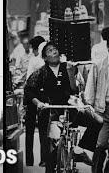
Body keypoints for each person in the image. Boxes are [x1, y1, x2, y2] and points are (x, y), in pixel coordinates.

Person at [24, 42, 101, 173]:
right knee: (50, 148)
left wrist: (71, 73)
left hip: (71, 108)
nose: (53, 52)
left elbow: (75, 88)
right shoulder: (40, 73)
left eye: (55, 49)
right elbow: (29, 90)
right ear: (44, 58)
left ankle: (79, 149)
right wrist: (39, 103)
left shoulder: (69, 67)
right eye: (49, 51)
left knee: (97, 121)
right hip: (50, 111)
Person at [85, 27, 109, 173]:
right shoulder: (99, 64)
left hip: (102, 109)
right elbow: (90, 89)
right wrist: (90, 105)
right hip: (104, 110)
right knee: (100, 144)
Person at [24, 36, 47, 167]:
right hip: (44, 99)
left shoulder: (33, 60)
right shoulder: (48, 61)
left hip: (32, 98)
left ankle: (29, 161)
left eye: (33, 49)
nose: (33, 51)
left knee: (30, 131)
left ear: (37, 48)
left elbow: (28, 80)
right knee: (44, 130)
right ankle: (44, 159)